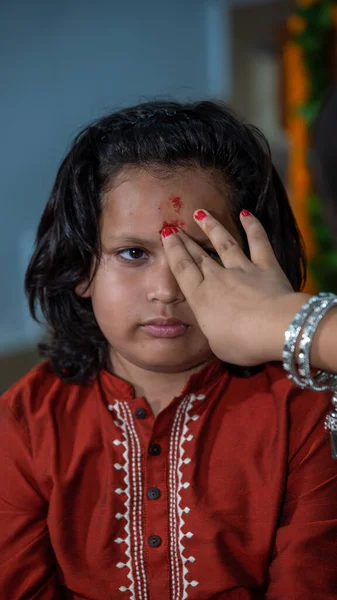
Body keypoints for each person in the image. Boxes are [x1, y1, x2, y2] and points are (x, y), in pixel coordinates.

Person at [1, 100, 337, 600]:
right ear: (81, 268)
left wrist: (282, 320)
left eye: (201, 253)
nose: (167, 289)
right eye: (133, 253)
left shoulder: (305, 410)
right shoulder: (24, 423)